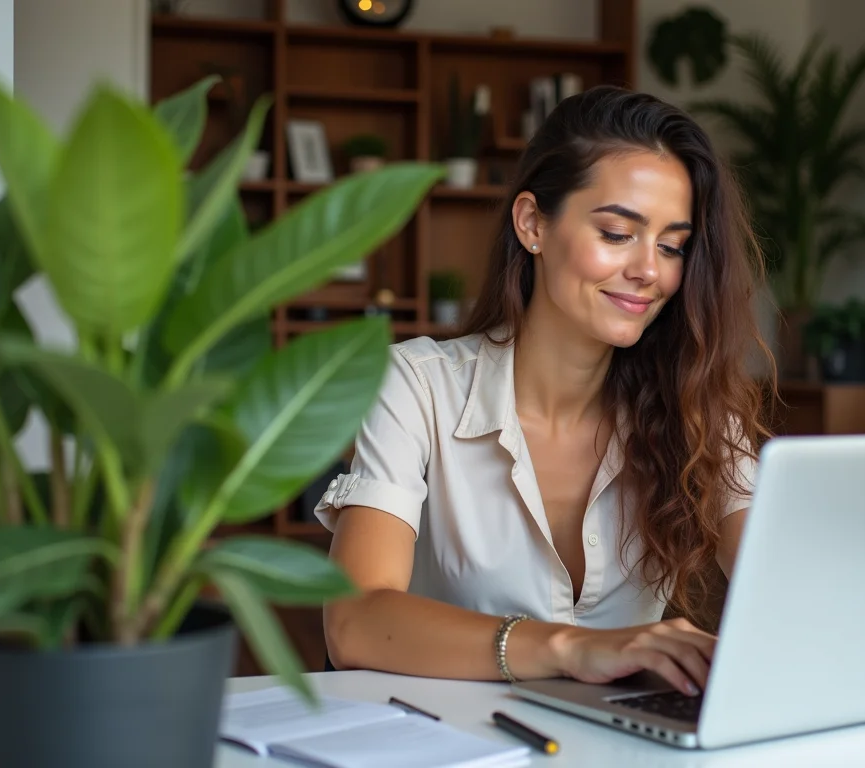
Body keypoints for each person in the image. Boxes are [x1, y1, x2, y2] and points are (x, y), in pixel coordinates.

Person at [318, 85, 773, 698]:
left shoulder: (700, 408)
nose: (650, 270)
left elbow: (783, 593)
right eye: (617, 234)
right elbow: (355, 622)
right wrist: (570, 647)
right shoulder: (416, 386)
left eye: (672, 246)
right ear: (533, 223)